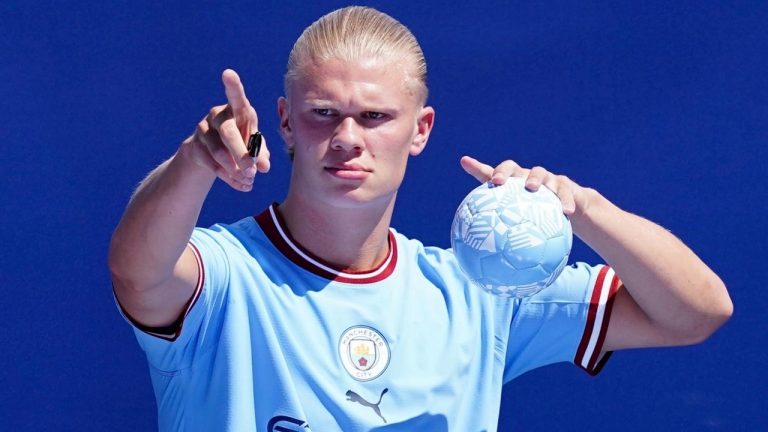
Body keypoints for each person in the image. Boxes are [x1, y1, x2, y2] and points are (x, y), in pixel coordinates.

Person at [109, 6, 732, 431]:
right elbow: (137, 273)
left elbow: (697, 312)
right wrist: (197, 159)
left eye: (375, 117)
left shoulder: (483, 291)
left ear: (421, 130)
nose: (348, 137)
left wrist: (584, 208)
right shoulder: (225, 275)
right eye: (324, 112)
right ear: (285, 121)